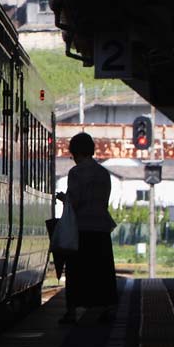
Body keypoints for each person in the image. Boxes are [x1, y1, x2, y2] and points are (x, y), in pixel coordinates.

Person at [56, 131, 117, 324]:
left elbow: (76, 201)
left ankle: (72, 311)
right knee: (102, 271)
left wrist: (63, 198)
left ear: (75, 152)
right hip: (101, 227)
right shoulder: (103, 173)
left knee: (76, 272)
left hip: (81, 228)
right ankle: (107, 309)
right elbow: (104, 199)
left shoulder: (76, 173)